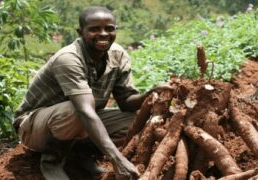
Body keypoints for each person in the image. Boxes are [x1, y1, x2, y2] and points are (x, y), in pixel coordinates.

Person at [13, 6, 169, 180]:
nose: (103, 34)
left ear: (115, 30)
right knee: (75, 110)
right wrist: (117, 159)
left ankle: (79, 156)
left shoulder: (118, 55)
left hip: (79, 120)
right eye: (94, 29)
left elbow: (125, 101)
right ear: (80, 32)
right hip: (34, 127)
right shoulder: (68, 59)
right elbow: (84, 111)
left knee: (140, 120)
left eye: (109, 28)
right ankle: (51, 162)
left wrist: (150, 93)